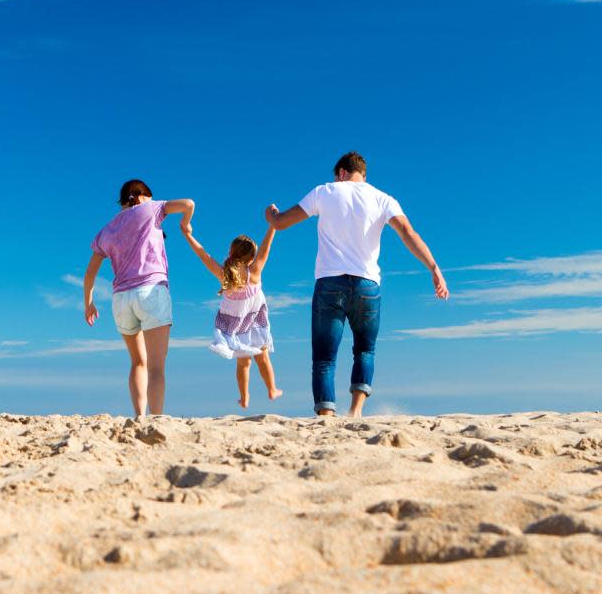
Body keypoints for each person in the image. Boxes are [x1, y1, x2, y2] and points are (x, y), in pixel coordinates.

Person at [265, 151, 448, 417]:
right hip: (367, 285)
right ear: (362, 174)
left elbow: (281, 223)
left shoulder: (325, 192)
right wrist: (434, 267)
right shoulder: (383, 199)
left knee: (324, 358)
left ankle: (326, 416)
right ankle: (356, 411)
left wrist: (271, 214)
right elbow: (409, 233)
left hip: (330, 283)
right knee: (365, 350)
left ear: (340, 173)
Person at [83, 180, 194, 417]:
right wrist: (185, 224)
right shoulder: (152, 207)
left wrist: (89, 303)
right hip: (151, 290)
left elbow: (90, 272)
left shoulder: (107, 229)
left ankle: (139, 417)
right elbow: (188, 204)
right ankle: (156, 420)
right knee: (156, 367)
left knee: (137, 363)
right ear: (145, 196)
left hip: (121, 299)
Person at [181, 223, 282, 409]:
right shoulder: (255, 272)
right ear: (252, 257)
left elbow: (203, 255)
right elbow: (267, 246)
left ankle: (244, 398)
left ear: (231, 251)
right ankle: (272, 389)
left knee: (243, 363)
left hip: (236, 327)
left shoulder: (224, 275)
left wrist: (188, 235)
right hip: (254, 322)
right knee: (263, 358)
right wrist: (272, 225)